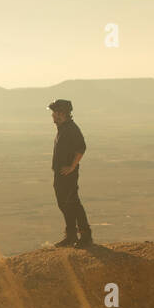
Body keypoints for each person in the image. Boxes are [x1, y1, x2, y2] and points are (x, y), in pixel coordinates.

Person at [48, 99, 92, 247]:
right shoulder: (63, 128)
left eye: (54, 112)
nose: (52, 115)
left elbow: (81, 148)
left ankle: (85, 236)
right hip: (60, 174)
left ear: (61, 113)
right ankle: (71, 235)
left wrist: (72, 167)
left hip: (68, 174)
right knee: (64, 204)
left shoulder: (71, 129)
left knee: (73, 203)